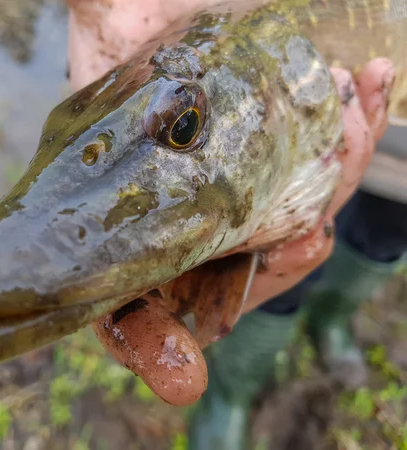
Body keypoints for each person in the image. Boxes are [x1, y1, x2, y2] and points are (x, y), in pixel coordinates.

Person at [65, 0, 406, 448]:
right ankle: (233, 391)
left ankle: (333, 319)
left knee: (385, 235)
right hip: (291, 86)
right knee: (279, 247)